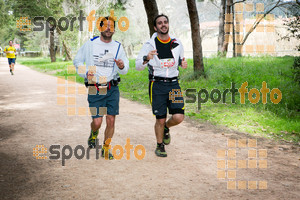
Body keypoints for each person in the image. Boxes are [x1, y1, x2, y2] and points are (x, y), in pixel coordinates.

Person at [73, 17, 129, 160]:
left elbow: (125, 68)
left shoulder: (118, 47)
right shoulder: (90, 44)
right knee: (97, 122)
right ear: (100, 28)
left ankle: (106, 147)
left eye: (111, 26)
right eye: (105, 26)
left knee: (111, 120)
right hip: (95, 87)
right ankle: (93, 132)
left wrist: (122, 66)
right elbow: (77, 61)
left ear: (114, 29)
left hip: (111, 87)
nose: (108, 28)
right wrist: (85, 72)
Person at [136, 14, 187, 157]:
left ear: (168, 25)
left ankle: (166, 128)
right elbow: (138, 65)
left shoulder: (177, 43)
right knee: (160, 118)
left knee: (178, 117)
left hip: (173, 84)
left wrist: (183, 64)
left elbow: (181, 60)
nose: (163, 25)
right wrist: (147, 58)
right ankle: (160, 145)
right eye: (159, 23)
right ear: (155, 27)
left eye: (165, 22)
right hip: (156, 84)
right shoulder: (149, 45)